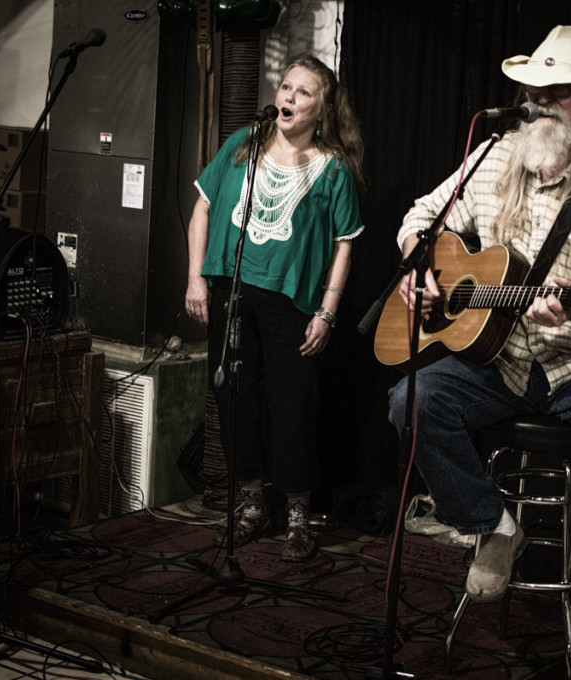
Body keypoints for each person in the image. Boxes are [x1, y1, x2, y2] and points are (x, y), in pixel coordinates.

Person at [387, 26, 571, 604]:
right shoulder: (493, 160)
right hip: (500, 361)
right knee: (409, 400)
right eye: (531, 88)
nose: (538, 101)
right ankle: (493, 526)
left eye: (557, 89)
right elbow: (421, 216)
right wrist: (418, 268)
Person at [185, 54, 365, 562]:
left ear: (323, 109)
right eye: (285, 87)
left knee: (293, 408)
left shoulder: (332, 170)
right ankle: (250, 507)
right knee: (234, 400)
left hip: (292, 304)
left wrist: (327, 313)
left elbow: (344, 244)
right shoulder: (243, 146)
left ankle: (298, 518)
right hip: (232, 292)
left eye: (303, 92)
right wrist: (196, 277)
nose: (288, 97)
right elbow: (201, 207)